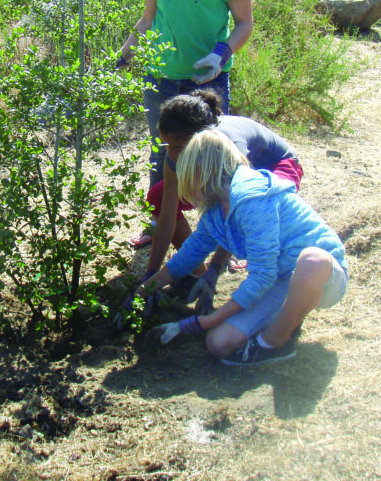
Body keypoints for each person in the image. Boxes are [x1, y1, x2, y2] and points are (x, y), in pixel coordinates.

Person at [134, 129, 347, 366]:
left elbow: (262, 274)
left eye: (188, 176)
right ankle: (287, 318)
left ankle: (274, 342)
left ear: (200, 171)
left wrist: (202, 322)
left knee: (312, 260)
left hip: (324, 277)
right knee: (219, 343)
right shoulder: (215, 210)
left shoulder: (250, 198)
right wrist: (140, 293)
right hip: (281, 279)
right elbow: (187, 257)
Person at [116, 0, 253, 243]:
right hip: (160, 76)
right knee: (161, 150)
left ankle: (228, 237)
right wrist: (122, 57)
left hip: (206, 79)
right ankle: (159, 224)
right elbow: (147, 20)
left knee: (214, 154)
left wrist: (220, 55)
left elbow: (244, 23)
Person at [141, 88, 303, 311]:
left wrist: (216, 267)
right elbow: (166, 218)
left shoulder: (227, 147)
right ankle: (197, 275)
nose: (171, 155)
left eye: (177, 148)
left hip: (274, 169)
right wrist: (150, 277)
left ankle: (274, 293)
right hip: (226, 180)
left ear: (199, 140)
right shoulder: (175, 155)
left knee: (246, 218)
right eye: (167, 147)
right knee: (158, 196)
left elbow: (236, 208)